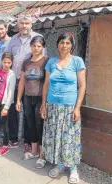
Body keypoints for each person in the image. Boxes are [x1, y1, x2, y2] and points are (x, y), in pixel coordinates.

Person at [40, 32, 86, 184]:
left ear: (72, 45)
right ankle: (60, 165)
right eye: (62, 42)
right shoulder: (51, 62)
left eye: (67, 43)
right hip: (53, 106)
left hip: (69, 107)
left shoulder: (77, 61)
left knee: (70, 138)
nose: (64, 46)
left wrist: (77, 108)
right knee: (56, 137)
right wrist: (43, 105)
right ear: (57, 44)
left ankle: (72, 168)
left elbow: (82, 86)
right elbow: (46, 84)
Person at [6, 14, 45, 149]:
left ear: (31, 25)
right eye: (22, 23)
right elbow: (7, 58)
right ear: (18, 25)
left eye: (27, 23)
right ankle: (14, 138)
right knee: (13, 109)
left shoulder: (37, 39)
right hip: (15, 79)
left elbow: (43, 60)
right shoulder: (12, 40)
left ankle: (29, 142)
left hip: (31, 83)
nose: (24, 26)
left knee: (30, 113)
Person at [16, 36, 48, 167]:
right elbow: (22, 81)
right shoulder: (26, 62)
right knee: (30, 124)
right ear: (31, 46)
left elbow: (47, 82)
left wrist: (44, 103)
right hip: (27, 97)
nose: (36, 48)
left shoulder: (46, 62)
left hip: (40, 98)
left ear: (43, 47)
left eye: (39, 46)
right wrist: (18, 99)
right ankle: (34, 151)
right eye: (34, 45)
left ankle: (42, 155)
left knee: (40, 125)